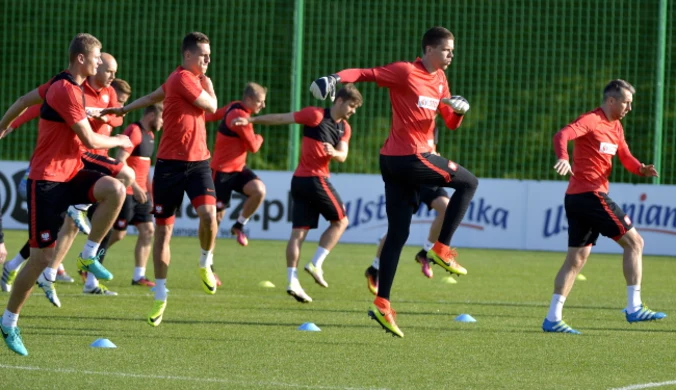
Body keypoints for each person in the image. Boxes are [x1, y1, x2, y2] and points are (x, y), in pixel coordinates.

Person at [309, 26, 477, 337]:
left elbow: (449, 124)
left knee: (398, 234)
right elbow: (363, 73)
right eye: (446, 49)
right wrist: (335, 77)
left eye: (452, 50)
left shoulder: (440, 79)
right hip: (410, 157)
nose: (451, 54)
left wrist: (458, 111)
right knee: (468, 182)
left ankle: (382, 303)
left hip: (395, 162)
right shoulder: (404, 71)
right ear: (429, 50)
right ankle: (441, 248)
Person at [0, 33, 131, 355]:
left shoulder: (62, 86)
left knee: (116, 189)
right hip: (46, 182)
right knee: (40, 258)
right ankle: (8, 321)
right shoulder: (65, 89)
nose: (101, 63)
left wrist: (2, 125)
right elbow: (89, 140)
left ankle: (89, 253)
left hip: (70, 173)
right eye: (97, 58)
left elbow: (20, 102)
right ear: (82, 59)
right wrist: (120, 142)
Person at [102, 32, 219, 327]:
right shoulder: (184, 79)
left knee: (209, 215)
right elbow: (212, 106)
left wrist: (125, 108)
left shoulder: (178, 81)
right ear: (188, 56)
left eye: (209, 55)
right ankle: (161, 296)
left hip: (199, 163)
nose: (208, 60)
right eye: (204, 55)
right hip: (169, 167)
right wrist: (210, 86)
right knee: (163, 234)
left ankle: (205, 261)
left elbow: (155, 96)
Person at [543, 79, 666, 334]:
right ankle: (634, 308)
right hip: (590, 195)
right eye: (626, 103)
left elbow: (625, 157)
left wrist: (640, 169)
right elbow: (562, 135)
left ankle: (552, 318)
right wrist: (563, 157)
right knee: (635, 243)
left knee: (576, 259)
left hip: (578, 198)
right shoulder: (592, 120)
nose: (629, 108)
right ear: (611, 100)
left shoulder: (616, 127)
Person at [233, 84, 362, 303]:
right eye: (351, 106)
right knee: (341, 221)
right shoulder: (315, 115)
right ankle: (316, 263)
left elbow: (343, 155)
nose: (353, 111)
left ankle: (292, 281)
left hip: (300, 182)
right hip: (315, 179)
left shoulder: (345, 128)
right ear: (339, 101)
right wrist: (252, 120)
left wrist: (334, 152)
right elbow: (283, 118)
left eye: (356, 108)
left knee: (298, 233)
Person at [365, 130, 450, 294]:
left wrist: (435, 157)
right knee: (397, 231)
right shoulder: (407, 120)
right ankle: (374, 268)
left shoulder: (433, 123)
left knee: (447, 208)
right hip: (410, 177)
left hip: (428, 177)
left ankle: (425, 252)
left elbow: (431, 147)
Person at [105, 103, 163, 288]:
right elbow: (120, 161)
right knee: (118, 234)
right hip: (127, 192)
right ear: (151, 115)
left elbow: (144, 170)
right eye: (162, 118)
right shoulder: (134, 131)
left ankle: (139, 276)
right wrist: (135, 186)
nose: (163, 123)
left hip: (141, 194)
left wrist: (150, 193)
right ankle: (92, 259)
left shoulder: (151, 136)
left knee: (148, 231)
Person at [205, 82, 267, 248]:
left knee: (259, 190)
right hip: (221, 172)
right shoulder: (239, 116)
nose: (263, 105)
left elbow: (212, 115)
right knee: (215, 219)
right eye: (260, 101)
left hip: (238, 169)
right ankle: (207, 259)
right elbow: (254, 146)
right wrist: (260, 137)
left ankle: (238, 225)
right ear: (248, 99)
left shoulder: (234, 107)